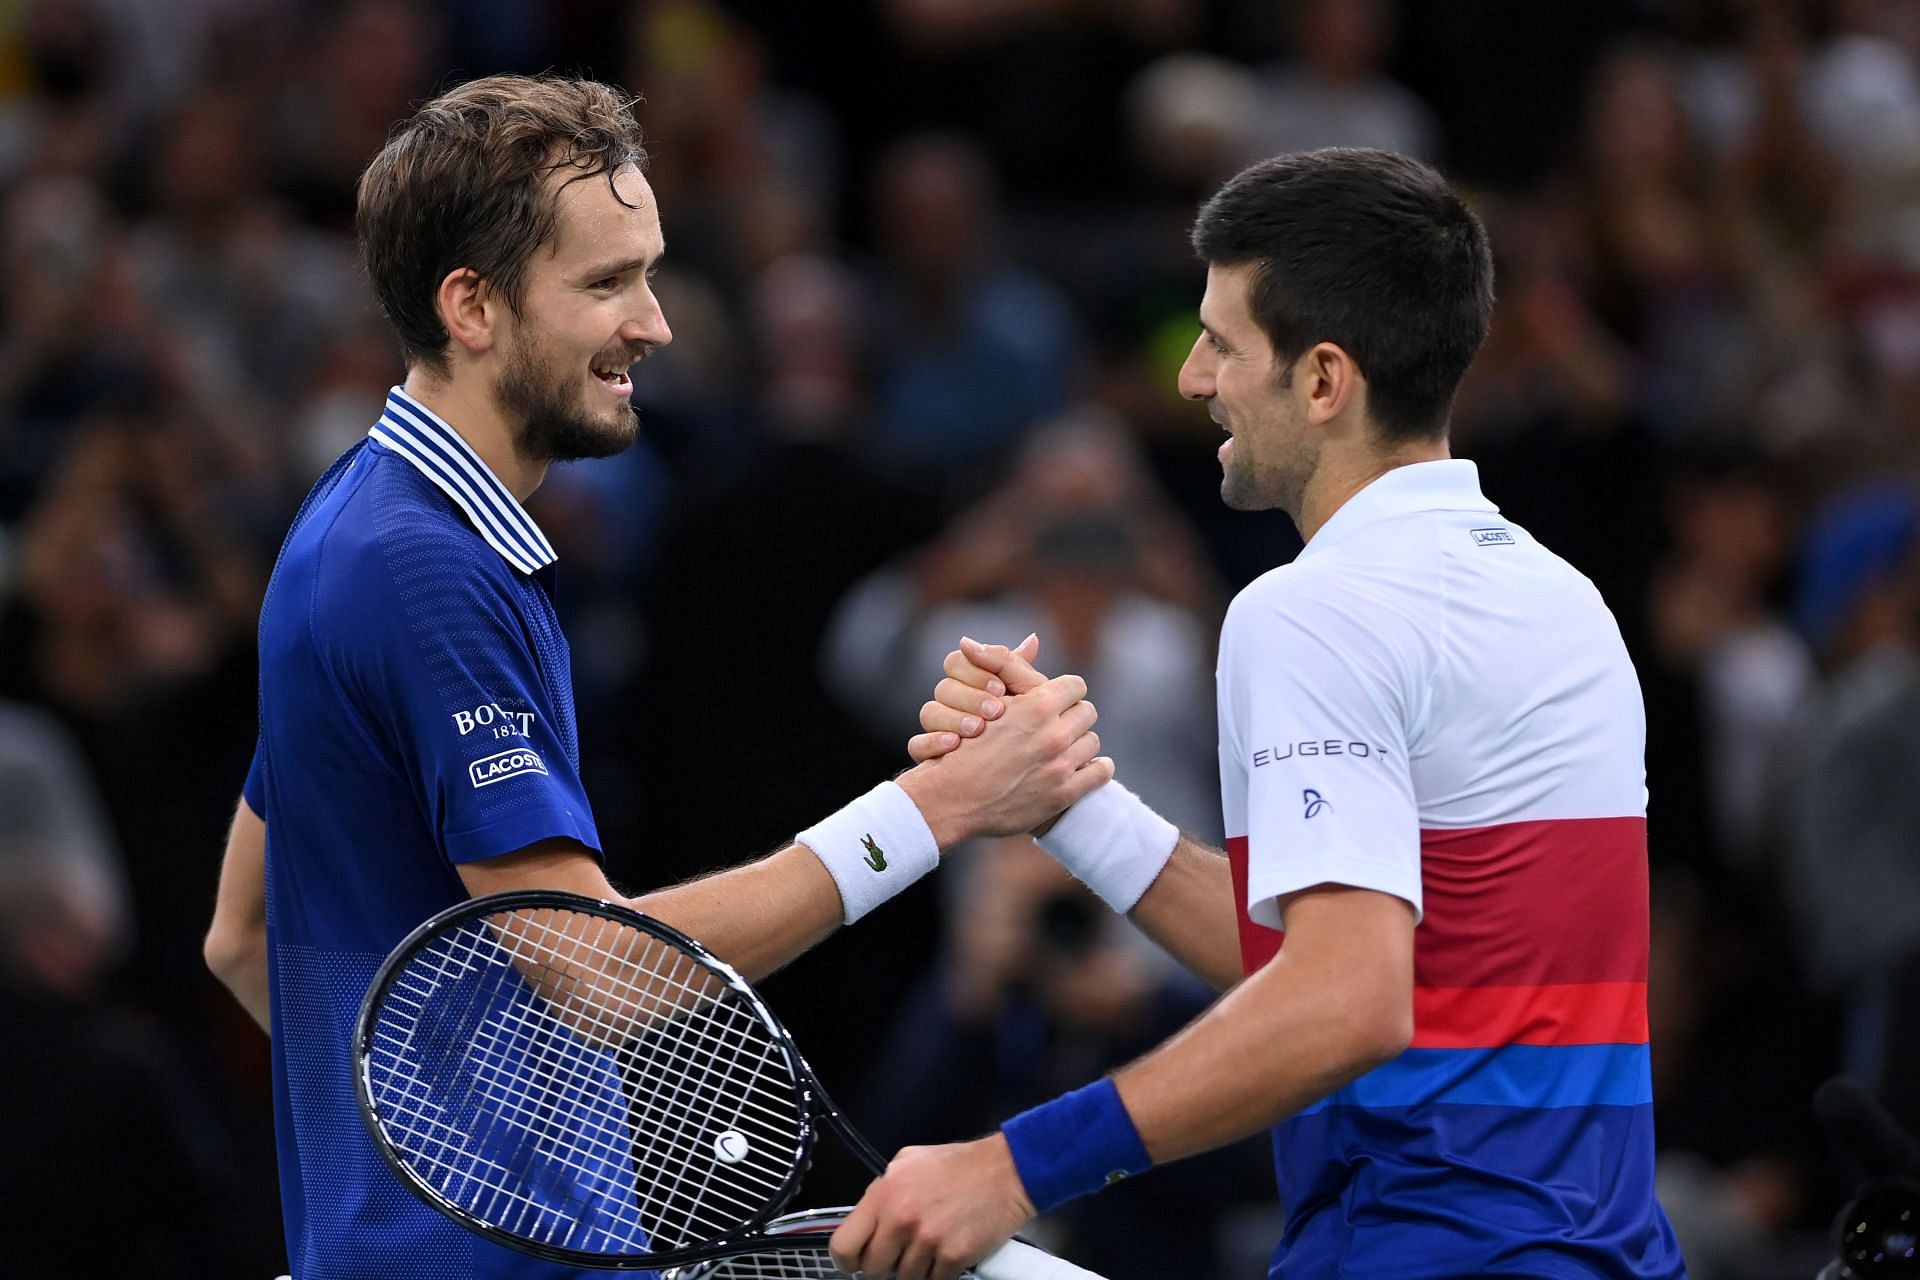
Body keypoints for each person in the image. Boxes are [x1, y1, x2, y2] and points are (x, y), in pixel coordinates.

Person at [200, 75, 1110, 1280]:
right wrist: (934, 809)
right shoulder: (422, 572)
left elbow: (240, 933)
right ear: (470, 304)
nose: (656, 322)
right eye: (605, 283)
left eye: (650, 270)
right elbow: (591, 968)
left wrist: (459, 1159)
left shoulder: (352, 526)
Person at [830, 149, 1688, 1280]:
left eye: (1223, 342)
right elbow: (1345, 961)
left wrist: (1013, 1166)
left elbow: (1346, 1001)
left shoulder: (1309, 609)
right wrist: (1074, 807)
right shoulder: (1561, 597)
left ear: (1325, 379)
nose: (1191, 379)